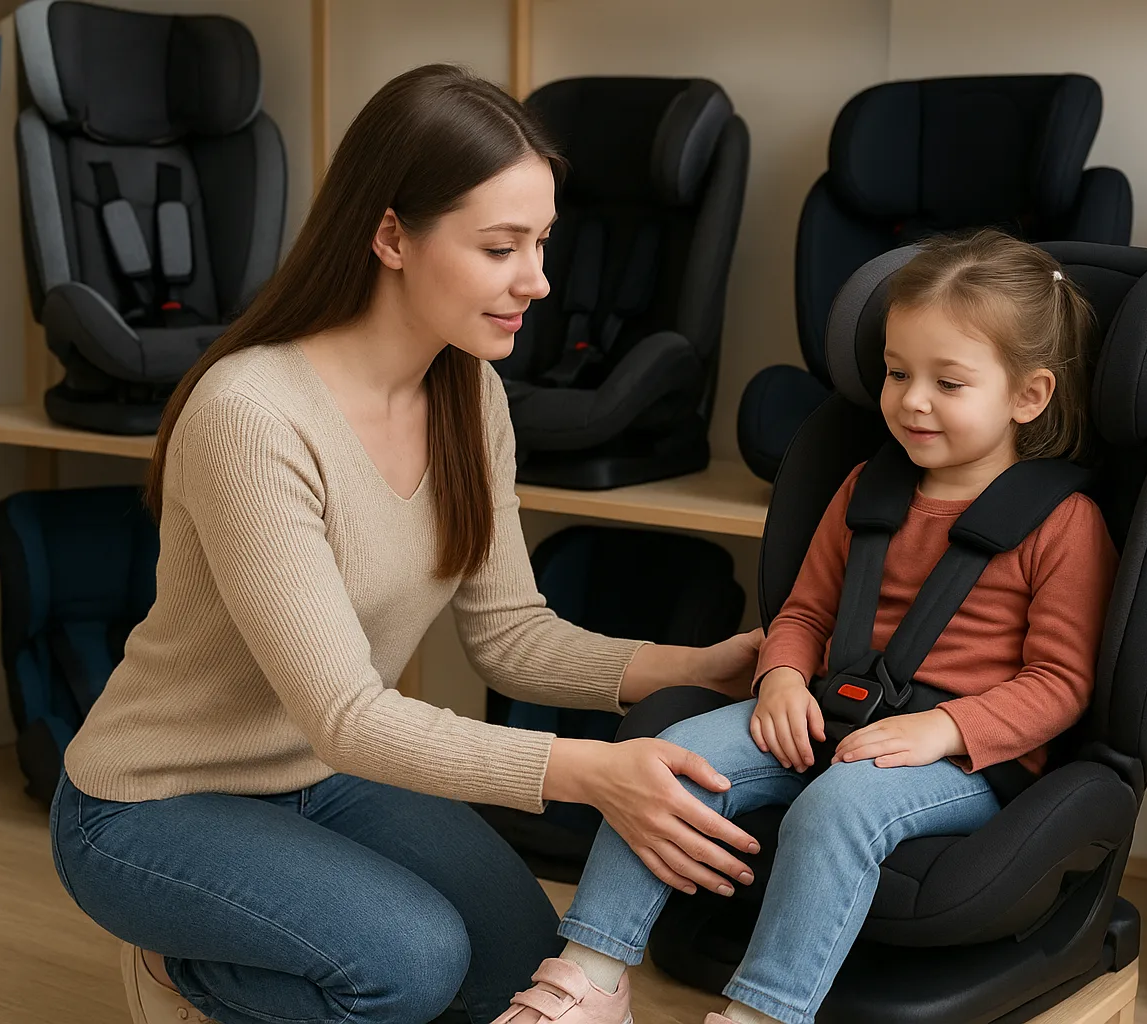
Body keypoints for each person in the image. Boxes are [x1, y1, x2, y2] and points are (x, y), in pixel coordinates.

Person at [48, 64, 765, 1024]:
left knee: (514, 960)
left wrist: (699, 667)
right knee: (411, 963)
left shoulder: (470, 393)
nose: (538, 281)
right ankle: (185, 974)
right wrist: (588, 775)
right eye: (501, 247)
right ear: (391, 235)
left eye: (542, 243)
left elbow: (511, 635)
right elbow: (347, 710)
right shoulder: (254, 414)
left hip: (322, 775)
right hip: (153, 804)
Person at [501, 230, 1120, 1024]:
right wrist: (784, 678)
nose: (912, 399)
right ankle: (591, 976)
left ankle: (767, 1012)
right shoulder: (866, 489)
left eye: (949, 382)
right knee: (665, 762)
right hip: (829, 710)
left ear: (1027, 396)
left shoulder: (1064, 524)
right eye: (897, 373)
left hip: (959, 759)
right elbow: (804, 612)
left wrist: (943, 730)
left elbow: (1061, 683)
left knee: (839, 806)